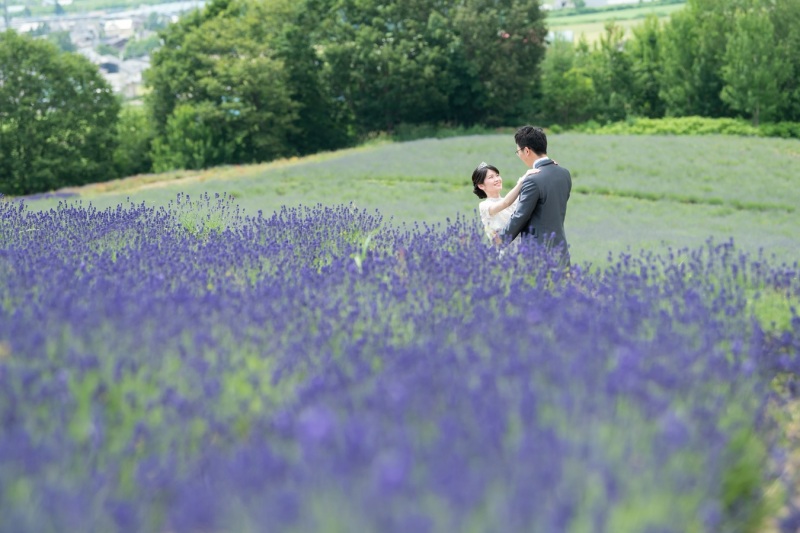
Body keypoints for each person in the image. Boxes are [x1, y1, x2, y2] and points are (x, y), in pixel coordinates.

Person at [500, 125, 571, 266]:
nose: (518, 155)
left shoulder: (533, 180)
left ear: (526, 150)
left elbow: (520, 216)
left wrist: (500, 241)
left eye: (518, 151)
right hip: (561, 251)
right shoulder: (564, 174)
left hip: (538, 254)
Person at [472, 162, 538, 243]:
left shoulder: (512, 200)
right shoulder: (484, 206)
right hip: (505, 250)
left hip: (523, 248)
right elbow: (506, 203)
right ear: (481, 185)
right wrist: (522, 181)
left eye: (497, 175)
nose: (497, 179)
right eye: (491, 177)